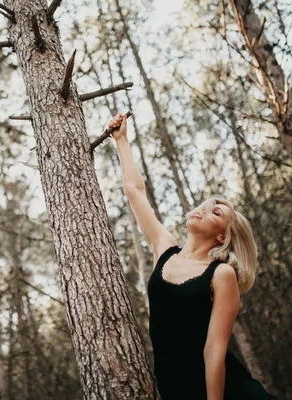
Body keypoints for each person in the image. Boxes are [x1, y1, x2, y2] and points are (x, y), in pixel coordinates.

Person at [108, 113, 275, 400]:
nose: (203, 208)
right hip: (175, 387)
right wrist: (121, 140)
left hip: (226, 391)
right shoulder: (165, 248)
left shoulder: (221, 274)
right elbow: (135, 191)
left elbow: (214, 349)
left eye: (216, 212)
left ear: (223, 236)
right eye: (205, 204)